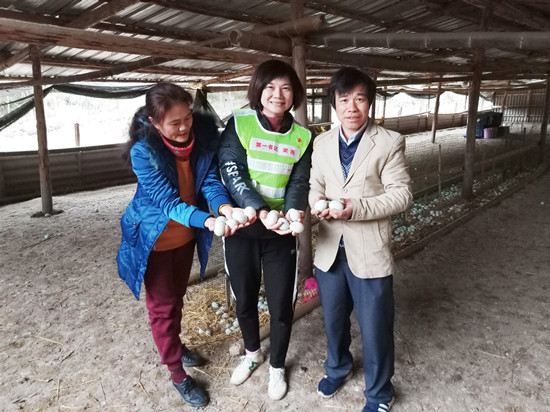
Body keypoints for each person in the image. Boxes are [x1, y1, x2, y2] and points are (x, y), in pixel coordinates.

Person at [116, 82, 245, 408]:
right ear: (154, 122)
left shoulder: (202, 138)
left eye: (187, 118)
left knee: (177, 296)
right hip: (155, 240)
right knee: (162, 306)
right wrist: (208, 221)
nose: (184, 127)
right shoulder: (143, 152)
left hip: (186, 237)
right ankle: (177, 373)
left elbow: (210, 180)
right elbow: (167, 202)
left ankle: (175, 345)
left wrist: (224, 207)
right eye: (174, 123)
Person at [309, 67, 413, 412]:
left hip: (369, 249)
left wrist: (356, 208)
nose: (351, 107)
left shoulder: (388, 141)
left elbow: (401, 195)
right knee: (334, 319)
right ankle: (338, 367)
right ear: (334, 104)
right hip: (330, 249)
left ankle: (380, 392)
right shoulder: (321, 143)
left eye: (359, 99)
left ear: (370, 103)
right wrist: (317, 203)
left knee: (375, 326)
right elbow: (314, 185)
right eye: (344, 99)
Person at [218, 59, 312, 400]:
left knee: (281, 303)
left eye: (286, 88)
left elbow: (299, 180)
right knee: (244, 298)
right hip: (243, 229)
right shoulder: (239, 123)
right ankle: (252, 353)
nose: (277, 94)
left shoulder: (303, 137)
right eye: (270, 87)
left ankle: (277, 366)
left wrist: (293, 211)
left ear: (294, 94)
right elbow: (231, 169)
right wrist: (258, 210)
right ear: (258, 90)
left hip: (280, 233)